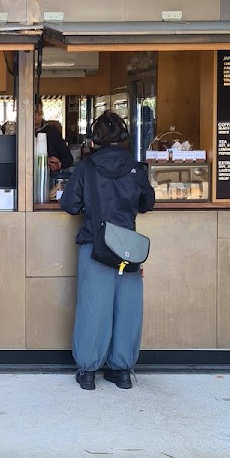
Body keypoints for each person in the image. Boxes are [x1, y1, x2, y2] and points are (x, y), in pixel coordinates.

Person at [59, 110, 155, 391]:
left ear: (96, 138)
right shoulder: (136, 168)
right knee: (127, 309)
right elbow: (147, 202)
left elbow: (69, 204)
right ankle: (122, 371)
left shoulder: (87, 168)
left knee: (94, 307)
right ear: (123, 136)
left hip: (96, 244)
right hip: (128, 249)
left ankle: (88, 372)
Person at [35, 103, 73, 171]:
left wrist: (59, 163)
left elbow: (68, 159)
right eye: (33, 114)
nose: (37, 118)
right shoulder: (19, 133)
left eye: (40, 114)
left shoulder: (52, 131)